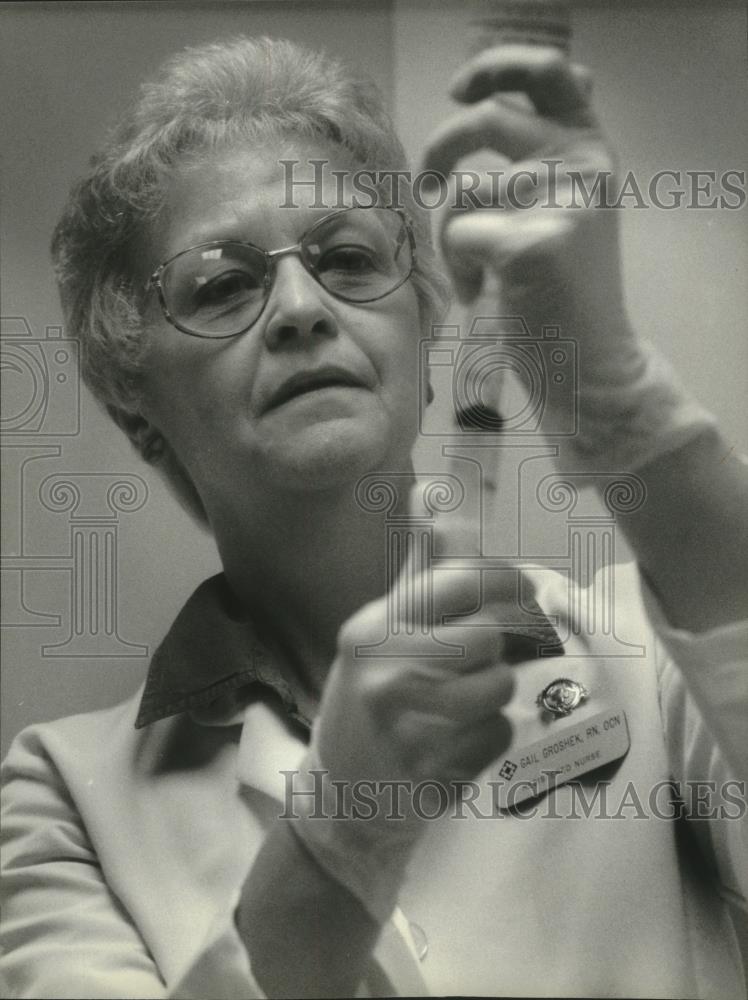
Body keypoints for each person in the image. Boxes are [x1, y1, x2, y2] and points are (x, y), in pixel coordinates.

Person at [1, 33, 746, 1000]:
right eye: (225, 284)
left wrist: (617, 401)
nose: (303, 308)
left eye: (347, 258)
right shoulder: (61, 799)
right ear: (141, 415)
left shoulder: (644, 657)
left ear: (425, 333)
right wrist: (336, 839)